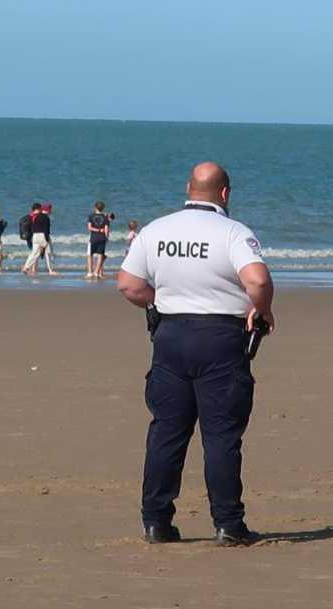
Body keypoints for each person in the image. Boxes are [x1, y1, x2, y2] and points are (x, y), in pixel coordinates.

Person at [116, 162, 275, 547]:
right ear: (225, 194)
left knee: (166, 432)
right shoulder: (233, 232)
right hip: (220, 335)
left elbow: (128, 285)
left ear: (188, 188)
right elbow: (257, 279)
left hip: (171, 334)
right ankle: (228, 523)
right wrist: (264, 309)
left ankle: (155, 521)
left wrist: (161, 302)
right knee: (221, 435)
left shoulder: (157, 230)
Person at [22, 202, 58, 275]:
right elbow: (46, 230)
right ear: (47, 210)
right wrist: (47, 239)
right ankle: (51, 270)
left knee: (34, 253)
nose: (51, 211)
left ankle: (26, 267)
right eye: (50, 209)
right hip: (43, 236)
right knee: (48, 253)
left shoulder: (37, 216)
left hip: (35, 236)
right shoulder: (46, 218)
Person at [86, 201, 112, 279]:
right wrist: (106, 237)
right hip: (102, 237)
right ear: (103, 208)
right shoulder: (105, 218)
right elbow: (107, 229)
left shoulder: (91, 216)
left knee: (90, 254)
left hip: (93, 237)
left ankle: (90, 272)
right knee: (100, 254)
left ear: (95, 207)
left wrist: (97, 230)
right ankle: (97, 272)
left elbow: (89, 228)